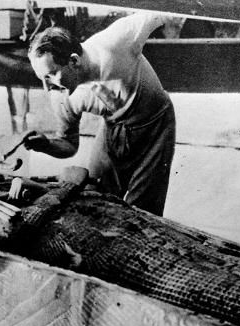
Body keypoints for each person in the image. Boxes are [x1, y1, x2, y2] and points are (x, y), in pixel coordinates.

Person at [24, 13, 176, 216]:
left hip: (155, 125)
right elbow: (69, 144)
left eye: (51, 75)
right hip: (113, 128)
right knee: (95, 199)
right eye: (42, 78)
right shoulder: (60, 94)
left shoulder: (115, 41)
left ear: (74, 61)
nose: (47, 87)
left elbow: (160, 12)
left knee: (143, 212)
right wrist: (47, 145)